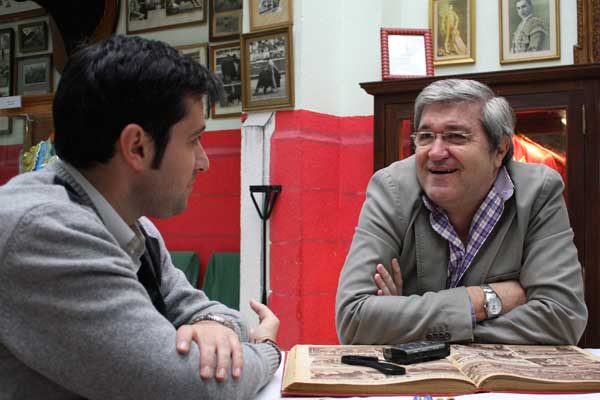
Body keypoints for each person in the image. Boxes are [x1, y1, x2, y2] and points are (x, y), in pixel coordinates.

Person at [0, 35, 281, 399]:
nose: (204, 162)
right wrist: (268, 349)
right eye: (194, 140)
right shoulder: (44, 231)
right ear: (137, 146)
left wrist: (214, 324)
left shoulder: (134, 227)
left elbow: (199, 308)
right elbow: (194, 388)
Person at [335, 79, 587, 346]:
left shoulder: (537, 192)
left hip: (501, 383)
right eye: (425, 136)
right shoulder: (391, 189)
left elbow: (562, 318)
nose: (436, 151)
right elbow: (354, 319)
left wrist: (403, 322)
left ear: (499, 149)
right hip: (411, 382)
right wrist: (486, 300)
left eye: (456, 136)